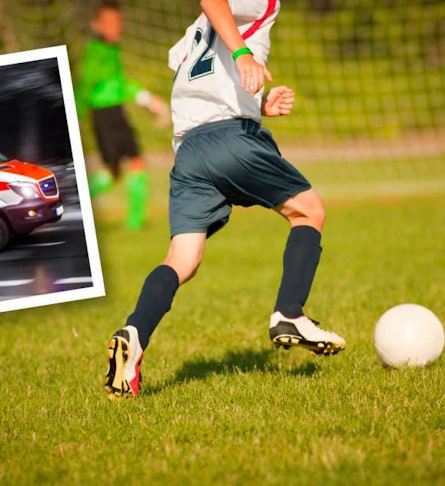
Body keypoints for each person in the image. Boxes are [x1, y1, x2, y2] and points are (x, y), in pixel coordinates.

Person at [104, 0, 346, 399]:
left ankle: (134, 333)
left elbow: (204, 79)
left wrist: (258, 105)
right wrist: (243, 53)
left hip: (189, 152)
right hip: (230, 138)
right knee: (309, 211)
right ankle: (290, 313)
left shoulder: (195, 32)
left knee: (182, 259)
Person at [76, 0, 169, 231]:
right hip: (105, 115)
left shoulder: (112, 48)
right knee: (121, 169)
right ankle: (77, 201)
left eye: (117, 21)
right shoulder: (96, 51)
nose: (114, 26)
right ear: (96, 25)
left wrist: (147, 98)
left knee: (126, 167)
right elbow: (87, 86)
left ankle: (135, 222)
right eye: (108, 22)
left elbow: (120, 81)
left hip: (115, 112)